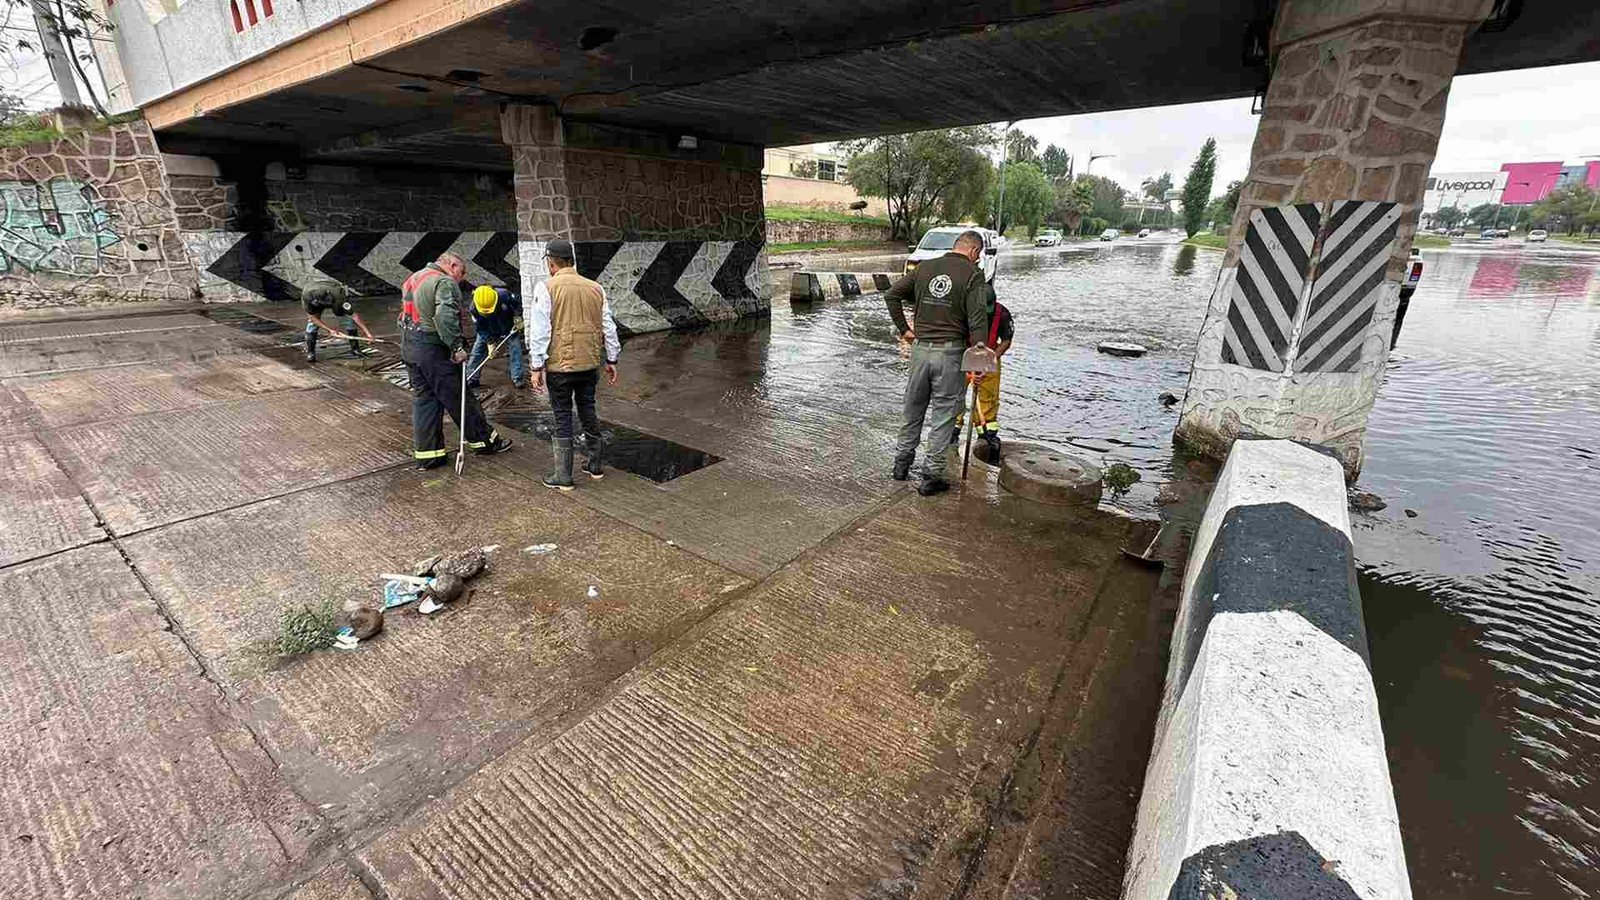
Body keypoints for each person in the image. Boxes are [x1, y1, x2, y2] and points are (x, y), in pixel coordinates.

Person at [884, 229, 991, 496]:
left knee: (913, 409)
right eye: (978, 256)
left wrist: (905, 330)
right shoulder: (973, 275)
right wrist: (977, 365)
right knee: (943, 415)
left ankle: (901, 466)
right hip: (950, 355)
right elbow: (978, 323)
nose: (978, 261)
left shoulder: (925, 268)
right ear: (974, 252)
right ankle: (931, 475)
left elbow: (892, 295)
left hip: (920, 352)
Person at [398, 251, 513, 469]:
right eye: (462, 271)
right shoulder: (443, 282)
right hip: (434, 350)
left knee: (425, 400)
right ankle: (485, 441)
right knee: (460, 397)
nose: (462, 277)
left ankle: (429, 455)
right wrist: (456, 347)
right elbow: (445, 317)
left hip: (411, 347)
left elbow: (403, 314)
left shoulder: (414, 278)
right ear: (451, 265)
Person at [526, 239, 621, 491]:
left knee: (562, 416)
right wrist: (611, 359)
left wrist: (537, 366)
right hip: (589, 364)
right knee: (588, 410)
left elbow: (540, 330)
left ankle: (563, 476)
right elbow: (608, 327)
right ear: (572, 261)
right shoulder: (595, 288)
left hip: (560, 368)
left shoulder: (546, 288)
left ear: (550, 262)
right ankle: (595, 466)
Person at [953, 282, 1015, 460]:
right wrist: (966, 367)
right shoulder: (962, 311)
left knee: (988, 396)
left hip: (990, 355)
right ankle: (953, 430)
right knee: (956, 393)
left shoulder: (1002, 314)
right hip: (964, 355)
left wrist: (992, 358)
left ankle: (986, 432)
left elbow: (1006, 340)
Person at [466, 284, 527, 390]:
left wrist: (517, 317)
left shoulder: (505, 295)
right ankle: (471, 377)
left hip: (508, 326)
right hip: (488, 328)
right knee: (477, 351)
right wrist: (489, 342)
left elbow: (517, 304)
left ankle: (518, 378)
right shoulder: (473, 308)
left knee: (515, 349)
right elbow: (480, 328)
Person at [301, 278, 375, 362]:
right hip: (314, 301)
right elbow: (313, 318)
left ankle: (355, 349)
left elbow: (353, 315)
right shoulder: (306, 297)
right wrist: (330, 330)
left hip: (336, 299)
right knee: (312, 325)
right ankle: (311, 353)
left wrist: (368, 333)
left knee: (348, 321)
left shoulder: (339, 295)